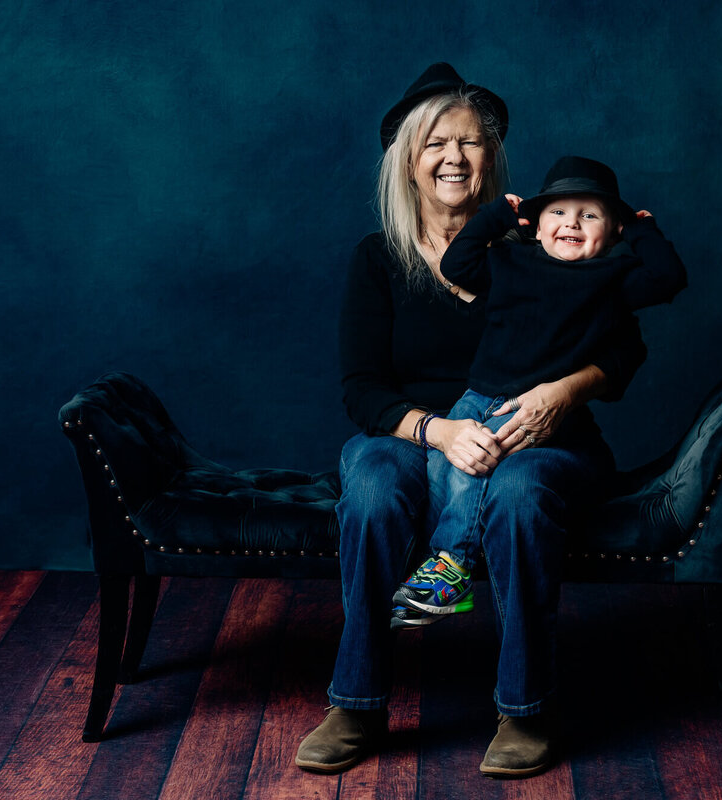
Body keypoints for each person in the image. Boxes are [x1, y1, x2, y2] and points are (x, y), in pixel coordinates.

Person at [294, 63, 649, 779]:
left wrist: (562, 394)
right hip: (418, 434)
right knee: (369, 479)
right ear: (408, 162)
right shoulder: (379, 259)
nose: (454, 157)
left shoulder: (537, 248)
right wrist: (442, 432)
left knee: (519, 494)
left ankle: (525, 711)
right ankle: (356, 702)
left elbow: (623, 349)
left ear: (493, 158)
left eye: (470, 142)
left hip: (538, 436)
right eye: (436, 144)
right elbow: (361, 389)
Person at [392, 156, 687, 622]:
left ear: (613, 232)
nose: (571, 222)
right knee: (451, 461)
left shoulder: (612, 280)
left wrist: (640, 228)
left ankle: (452, 565)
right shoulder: (510, 260)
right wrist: (497, 216)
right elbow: (457, 262)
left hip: (541, 412)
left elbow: (669, 278)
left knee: (483, 470)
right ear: (535, 224)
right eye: (557, 212)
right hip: (477, 396)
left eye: (589, 215)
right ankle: (446, 563)